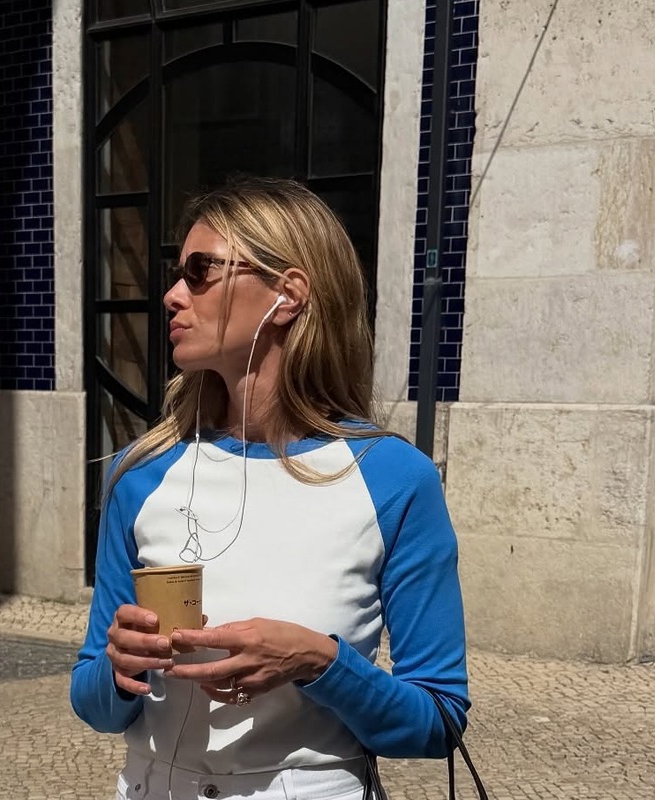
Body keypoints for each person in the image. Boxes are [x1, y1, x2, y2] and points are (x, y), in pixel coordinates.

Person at [70, 176, 470, 800]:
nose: (172, 296)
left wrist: (320, 662)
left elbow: (438, 720)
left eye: (200, 271)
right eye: (177, 275)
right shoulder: (139, 472)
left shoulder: (393, 478)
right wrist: (119, 669)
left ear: (288, 294)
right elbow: (93, 703)